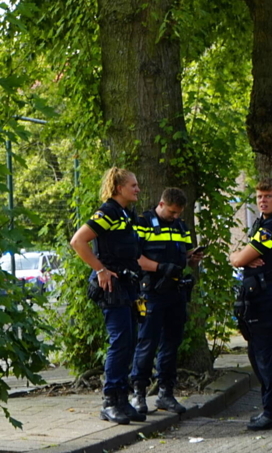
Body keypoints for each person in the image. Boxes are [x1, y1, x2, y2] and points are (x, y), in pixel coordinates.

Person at [69, 167, 145, 424]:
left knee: (130, 340)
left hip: (127, 285)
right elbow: (78, 241)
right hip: (112, 287)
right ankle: (110, 401)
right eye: (133, 185)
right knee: (120, 340)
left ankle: (123, 399)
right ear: (118, 188)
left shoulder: (126, 214)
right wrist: (100, 269)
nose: (137, 189)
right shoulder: (108, 212)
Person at [129, 187, 205, 415]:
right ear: (161, 204)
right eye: (172, 212)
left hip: (175, 292)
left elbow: (184, 256)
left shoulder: (180, 226)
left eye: (178, 213)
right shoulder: (143, 222)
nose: (175, 216)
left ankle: (166, 393)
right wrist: (160, 267)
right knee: (147, 343)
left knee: (171, 344)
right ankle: (138, 394)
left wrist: (192, 258)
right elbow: (135, 257)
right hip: (151, 291)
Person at [230, 178, 272, 431]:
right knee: (261, 355)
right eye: (259, 197)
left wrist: (239, 258)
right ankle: (271, 409)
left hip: (265, 296)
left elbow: (238, 259)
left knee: (267, 357)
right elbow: (244, 257)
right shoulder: (264, 223)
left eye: (268, 196)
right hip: (261, 295)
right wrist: (243, 257)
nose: (262, 201)